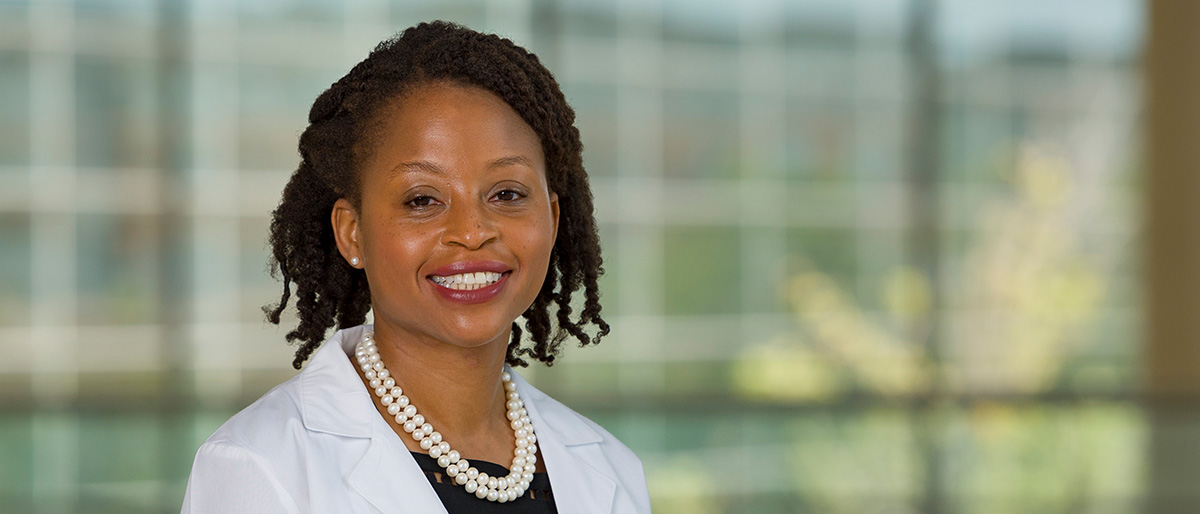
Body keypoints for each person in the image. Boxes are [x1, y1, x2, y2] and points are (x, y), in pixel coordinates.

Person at [181, 21, 651, 514]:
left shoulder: (612, 468)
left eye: (508, 194)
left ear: (552, 220)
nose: (472, 231)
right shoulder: (260, 466)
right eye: (422, 199)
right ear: (351, 232)